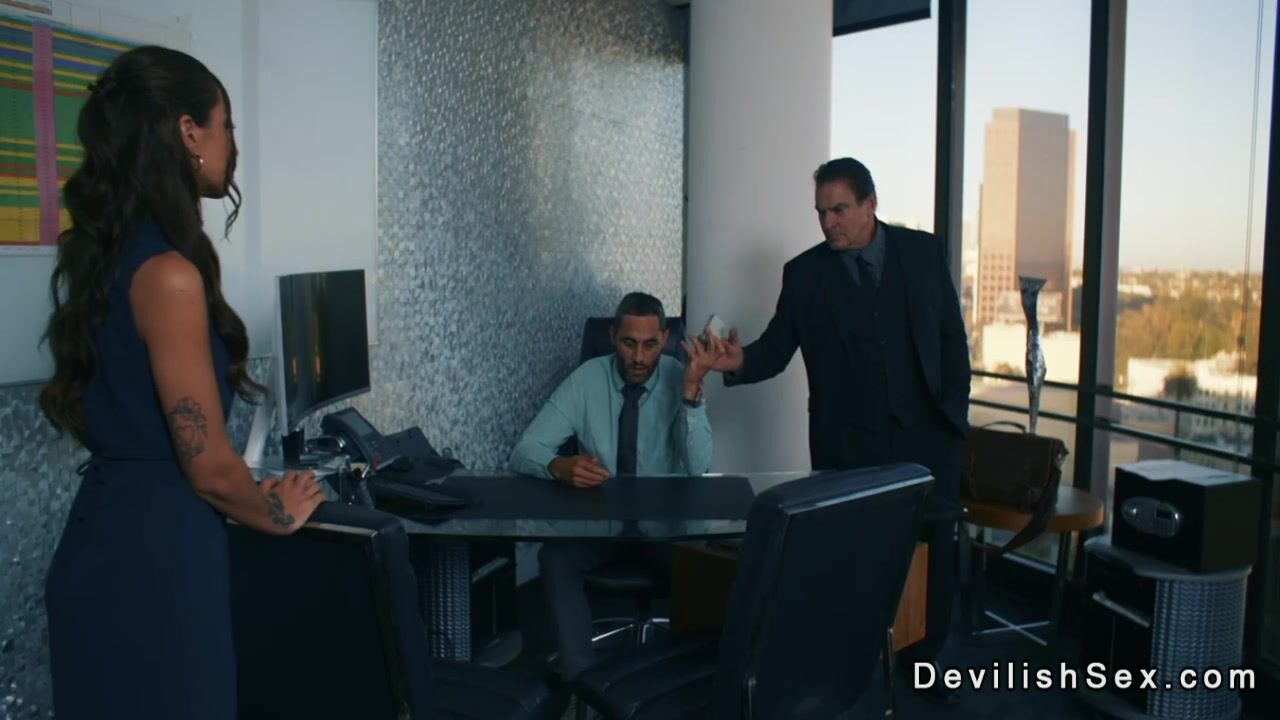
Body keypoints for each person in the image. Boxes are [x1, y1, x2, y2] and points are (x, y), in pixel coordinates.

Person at [39, 47, 326, 719]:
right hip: (155, 561)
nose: (233, 145)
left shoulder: (110, 253)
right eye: (227, 125)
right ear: (189, 131)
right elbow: (208, 469)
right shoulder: (168, 274)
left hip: (106, 537)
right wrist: (278, 512)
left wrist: (249, 494)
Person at [711, 157, 971, 675]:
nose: (828, 222)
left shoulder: (923, 253)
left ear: (870, 204)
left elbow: (951, 341)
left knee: (936, 555)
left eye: (839, 210)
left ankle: (930, 660)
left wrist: (952, 420)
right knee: (856, 558)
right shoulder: (804, 274)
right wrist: (736, 361)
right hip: (849, 447)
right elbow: (776, 349)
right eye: (821, 212)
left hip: (927, 439)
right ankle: (856, 668)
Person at [509, 292, 724, 680]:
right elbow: (525, 450)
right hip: (599, 522)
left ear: (665, 339)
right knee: (555, 560)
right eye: (628, 343)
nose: (638, 357)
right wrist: (558, 466)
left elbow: (698, 468)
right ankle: (582, 679)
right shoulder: (587, 379)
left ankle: (690, 685)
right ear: (612, 336)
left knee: (715, 565)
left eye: (650, 344)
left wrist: (691, 391)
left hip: (666, 526)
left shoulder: (679, 375)